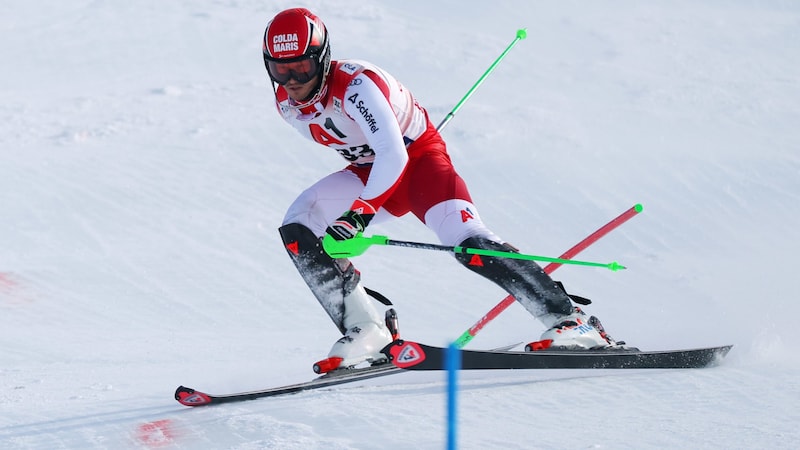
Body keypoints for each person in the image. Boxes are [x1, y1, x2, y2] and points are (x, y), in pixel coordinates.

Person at [262, 8, 623, 372]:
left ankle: (571, 320)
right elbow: (368, 156)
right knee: (300, 225)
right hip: (371, 174)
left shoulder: (357, 87)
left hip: (419, 164)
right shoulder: (286, 105)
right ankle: (367, 327)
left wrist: (359, 214)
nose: (292, 80)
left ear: (322, 60)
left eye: (302, 68)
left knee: (467, 243)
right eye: (280, 70)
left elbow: (393, 153)